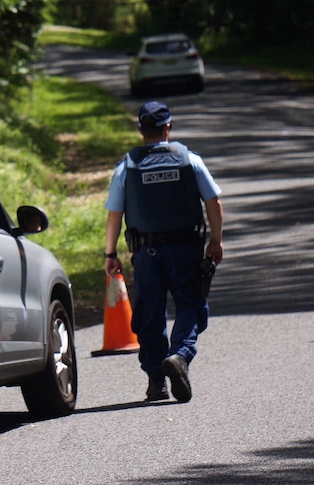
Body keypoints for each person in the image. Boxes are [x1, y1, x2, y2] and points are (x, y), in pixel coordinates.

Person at [103, 101, 223, 403]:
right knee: (190, 305)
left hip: (147, 252)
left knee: (149, 315)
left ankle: (157, 380)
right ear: (168, 128)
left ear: (140, 130)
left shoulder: (126, 167)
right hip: (186, 248)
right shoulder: (190, 160)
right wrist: (216, 240)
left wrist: (110, 254)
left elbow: (114, 215)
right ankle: (180, 355)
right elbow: (213, 202)